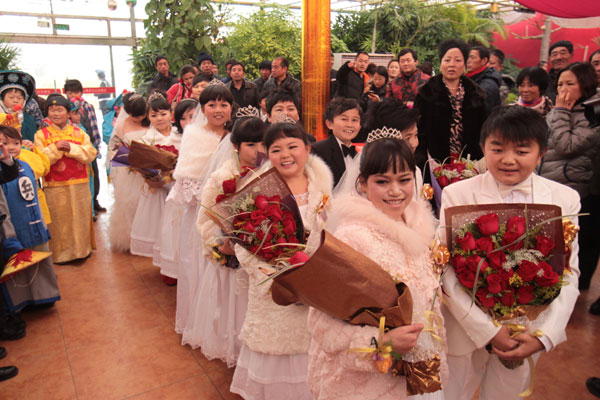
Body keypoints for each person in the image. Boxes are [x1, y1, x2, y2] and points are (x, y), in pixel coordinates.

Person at [438, 106, 581, 400]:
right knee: (453, 393)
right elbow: (446, 269)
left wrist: (545, 336)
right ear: (483, 148)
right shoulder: (458, 194)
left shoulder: (563, 199)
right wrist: (486, 330)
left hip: (528, 331)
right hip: (466, 327)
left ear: (542, 153)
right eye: (498, 148)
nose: (508, 160)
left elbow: (569, 272)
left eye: (522, 150)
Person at [307, 137, 446, 400]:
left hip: (418, 370)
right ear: (363, 183)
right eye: (382, 181)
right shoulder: (351, 239)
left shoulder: (422, 229)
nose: (395, 191)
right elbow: (320, 324)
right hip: (366, 382)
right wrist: (381, 343)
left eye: (404, 180)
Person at [229, 122, 332, 400]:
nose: (285, 154)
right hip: (270, 286)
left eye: (292, 146)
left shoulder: (324, 187)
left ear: (308, 149)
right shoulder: (257, 188)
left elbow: (335, 234)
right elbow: (240, 238)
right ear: (268, 153)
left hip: (314, 288)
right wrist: (265, 271)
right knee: (276, 359)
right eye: (276, 149)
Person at [183, 116, 264, 366]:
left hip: (259, 254)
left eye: (263, 144)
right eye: (251, 144)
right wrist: (221, 244)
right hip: (231, 251)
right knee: (234, 304)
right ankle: (233, 347)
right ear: (236, 146)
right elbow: (206, 217)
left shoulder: (269, 172)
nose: (258, 150)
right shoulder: (222, 176)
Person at [537, 62, 600, 291]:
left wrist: (561, 112)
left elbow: (566, 145)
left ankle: (576, 285)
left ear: (585, 85)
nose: (563, 89)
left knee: (576, 240)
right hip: (550, 180)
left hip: (577, 186)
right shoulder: (559, 110)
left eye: (570, 84)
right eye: (560, 83)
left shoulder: (593, 115)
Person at [0, 126, 61, 313]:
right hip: (11, 224)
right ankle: (21, 301)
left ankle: (44, 297)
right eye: (5, 143)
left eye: (16, 143)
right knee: (16, 263)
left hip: (32, 220)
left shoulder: (26, 164)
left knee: (39, 260)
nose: (10, 147)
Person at [33, 95, 97, 263]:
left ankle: (82, 250)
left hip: (80, 184)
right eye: (52, 110)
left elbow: (91, 153)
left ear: (69, 113)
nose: (55, 113)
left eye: (60, 110)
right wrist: (55, 148)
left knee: (80, 217)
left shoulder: (79, 133)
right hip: (54, 185)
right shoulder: (41, 135)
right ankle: (61, 254)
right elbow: (39, 158)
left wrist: (72, 148)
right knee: (59, 220)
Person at [414, 39, 487, 168]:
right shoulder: (426, 93)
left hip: (469, 162)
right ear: (440, 63)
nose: (452, 65)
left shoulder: (477, 95)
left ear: (464, 64)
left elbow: (484, 130)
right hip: (433, 161)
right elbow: (417, 129)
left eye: (458, 60)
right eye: (447, 60)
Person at [129, 92, 181, 258]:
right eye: (154, 115)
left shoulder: (180, 135)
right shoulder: (146, 139)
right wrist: (149, 177)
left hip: (177, 187)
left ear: (170, 114)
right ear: (148, 117)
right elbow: (139, 163)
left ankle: (177, 257)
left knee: (177, 224)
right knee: (160, 224)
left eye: (163, 114)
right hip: (157, 189)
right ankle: (162, 258)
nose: (159, 118)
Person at [155, 98, 200, 285]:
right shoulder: (176, 138)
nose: (188, 121)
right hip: (178, 192)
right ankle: (174, 268)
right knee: (177, 229)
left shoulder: (206, 139)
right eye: (183, 118)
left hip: (198, 192)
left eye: (192, 116)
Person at [107, 92, 149, 252]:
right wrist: (131, 159)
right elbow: (114, 149)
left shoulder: (149, 121)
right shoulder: (121, 125)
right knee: (130, 204)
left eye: (142, 115)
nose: (139, 119)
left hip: (149, 168)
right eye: (135, 116)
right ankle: (130, 240)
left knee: (148, 203)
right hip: (130, 170)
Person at [366, 100, 423, 200]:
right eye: (407, 137)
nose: (414, 144)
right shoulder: (371, 173)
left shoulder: (416, 171)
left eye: (416, 135)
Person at [64, 79, 104, 213]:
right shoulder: (64, 107)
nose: (73, 95)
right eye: (70, 93)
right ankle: (83, 206)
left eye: (76, 92)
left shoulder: (87, 106)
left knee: (94, 174)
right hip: (72, 148)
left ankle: (94, 201)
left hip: (89, 145)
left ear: (81, 92)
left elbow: (94, 126)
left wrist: (96, 145)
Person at [312, 97, 363, 187]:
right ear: (329, 124)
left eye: (355, 120)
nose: (349, 125)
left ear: (360, 126)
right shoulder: (318, 150)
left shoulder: (360, 156)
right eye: (344, 119)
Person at [466, 46, 502, 112]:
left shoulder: (487, 85)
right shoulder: (471, 78)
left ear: (484, 61)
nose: (468, 61)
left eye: (472, 57)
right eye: (467, 57)